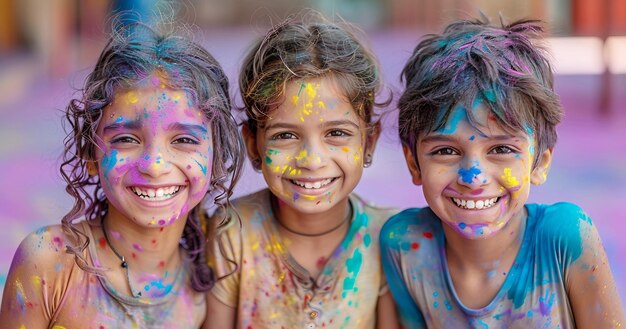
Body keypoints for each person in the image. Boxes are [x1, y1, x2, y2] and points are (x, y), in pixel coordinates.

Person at [380, 17, 626, 328]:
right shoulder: (405, 245)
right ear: (414, 163)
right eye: (445, 151)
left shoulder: (565, 238)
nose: (473, 178)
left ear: (541, 163)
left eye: (501, 150)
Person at [0, 22, 244, 328]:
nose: (154, 165)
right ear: (90, 153)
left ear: (217, 154)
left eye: (183, 140)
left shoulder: (207, 280)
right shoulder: (50, 264)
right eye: (126, 139)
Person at [205, 12, 399, 329]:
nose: (311, 160)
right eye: (285, 135)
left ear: (369, 142)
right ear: (253, 145)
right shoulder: (235, 232)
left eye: (336, 134)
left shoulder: (386, 238)